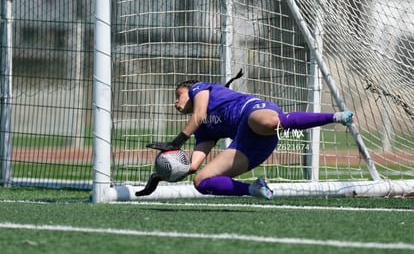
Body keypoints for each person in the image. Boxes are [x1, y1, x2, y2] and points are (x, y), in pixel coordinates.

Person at [144, 77, 354, 200]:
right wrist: (161, 175)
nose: (175, 102)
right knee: (201, 181)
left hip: (253, 113)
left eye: (178, 95)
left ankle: (336, 116)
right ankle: (254, 189)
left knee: (268, 123)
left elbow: (198, 115)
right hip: (252, 145)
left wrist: (176, 143)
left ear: (190, 91)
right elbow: (191, 167)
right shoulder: (203, 130)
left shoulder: (200, 88)